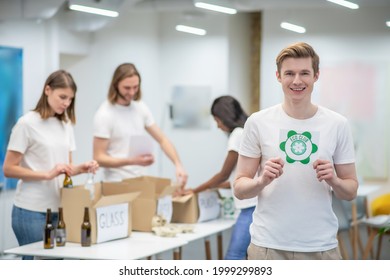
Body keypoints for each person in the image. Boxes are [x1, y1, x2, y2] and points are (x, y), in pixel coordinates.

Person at [233, 42, 358, 260]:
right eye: (289, 73)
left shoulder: (337, 124)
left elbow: (350, 190)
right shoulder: (257, 122)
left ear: (316, 76)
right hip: (267, 246)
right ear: (278, 76)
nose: (297, 81)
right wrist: (261, 181)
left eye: (304, 73)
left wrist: (334, 180)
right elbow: (240, 188)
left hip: (320, 247)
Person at [3, 70, 99, 259]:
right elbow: (8, 169)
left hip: (60, 209)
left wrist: (83, 167)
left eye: (70, 99)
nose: (66, 103)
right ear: (47, 90)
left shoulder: (66, 125)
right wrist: (47, 174)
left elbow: (66, 168)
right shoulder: (26, 124)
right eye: (62, 97)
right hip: (31, 212)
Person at [183, 95, 257, 260]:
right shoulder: (248, 130)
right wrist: (214, 187)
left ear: (224, 117)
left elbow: (224, 174)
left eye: (217, 120)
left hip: (249, 207)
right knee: (246, 256)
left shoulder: (237, 134)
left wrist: (193, 191)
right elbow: (236, 178)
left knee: (233, 256)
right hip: (255, 204)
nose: (217, 126)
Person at [93, 63, 188, 186]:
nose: (132, 92)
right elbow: (98, 158)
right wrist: (132, 161)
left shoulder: (140, 107)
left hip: (140, 181)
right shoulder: (105, 114)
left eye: (135, 87)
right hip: (115, 184)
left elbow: (163, 139)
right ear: (115, 85)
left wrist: (178, 164)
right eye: (127, 88)